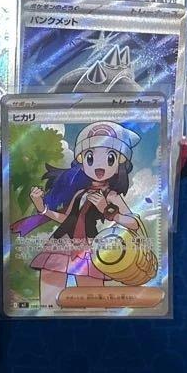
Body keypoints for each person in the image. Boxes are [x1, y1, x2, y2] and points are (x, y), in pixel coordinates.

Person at [11, 120, 141, 308]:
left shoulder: (112, 196)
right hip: (60, 243)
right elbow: (67, 219)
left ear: (120, 162)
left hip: (89, 247)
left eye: (110, 158)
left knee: (95, 303)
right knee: (48, 303)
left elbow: (134, 223)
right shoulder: (80, 192)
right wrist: (42, 208)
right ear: (82, 160)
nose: (99, 166)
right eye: (91, 158)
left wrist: (107, 210)